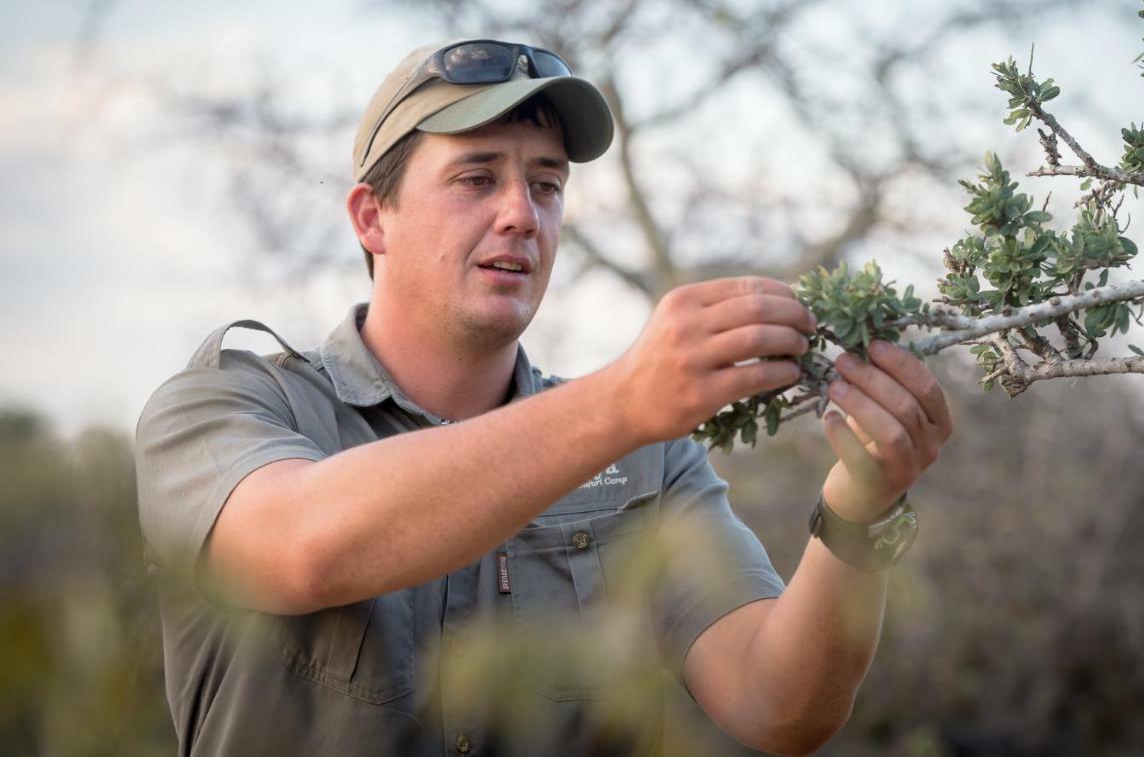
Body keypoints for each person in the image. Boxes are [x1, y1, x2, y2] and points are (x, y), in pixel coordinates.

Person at [134, 38, 952, 756]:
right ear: (371, 217)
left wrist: (861, 508)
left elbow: (779, 709)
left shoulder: (647, 461)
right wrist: (622, 402)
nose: (521, 215)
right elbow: (305, 546)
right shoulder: (222, 407)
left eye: (547, 185)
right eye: (476, 177)